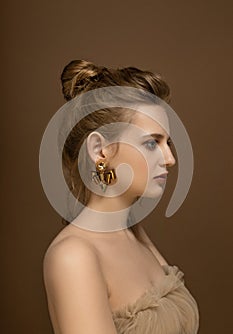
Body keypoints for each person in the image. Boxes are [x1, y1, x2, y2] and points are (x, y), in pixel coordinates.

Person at [43, 60, 199, 334]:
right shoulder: (74, 257)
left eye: (168, 143)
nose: (171, 159)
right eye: (152, 143)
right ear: (99, 150)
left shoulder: (134, 231)